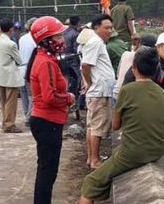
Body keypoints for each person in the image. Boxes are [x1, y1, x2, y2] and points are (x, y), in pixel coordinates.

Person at [79, 47, 164, 204]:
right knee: (107, 172)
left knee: (90, 181)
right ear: (156, 69)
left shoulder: (126, 90)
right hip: (158, 151)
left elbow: (115, 125)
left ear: (133, 68)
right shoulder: (161, 92)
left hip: (133, 153)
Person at [26, 16, 75, 204]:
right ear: (46, 40)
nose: (62, 40)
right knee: (47, 171)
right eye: (58, 36)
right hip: (47, 122)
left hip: (47, 121)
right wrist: (68, 98)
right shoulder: (45, 62)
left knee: (47, 169)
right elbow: (50, 96)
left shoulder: (45, 59)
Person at [123, 31, 164, 124]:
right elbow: (154, 93)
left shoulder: (159, 62)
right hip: (136, 103)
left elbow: (162, 90)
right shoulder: (151, 62)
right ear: (158, 47)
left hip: (145, 98)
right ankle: (150, 125)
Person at [81, 14, 115, 169]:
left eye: (111, 28)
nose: (110, 31)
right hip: (99, 91)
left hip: (99, 90)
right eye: (106, 28)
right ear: (96, 28)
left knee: (92, 126)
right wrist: (89, 82)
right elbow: (86, 65)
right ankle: (95, 160)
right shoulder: (95, 42)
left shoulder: (97, 42)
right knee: (97, 127)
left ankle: (91, 158)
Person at [0, 19, 24, 133]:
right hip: (10, 75)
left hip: (0, 73)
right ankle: (9, 124)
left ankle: (5, 122)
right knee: (11, 101)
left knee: (4, 100)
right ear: (11, 30)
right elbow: (19, 60)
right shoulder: (11, 44)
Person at [19, 17, 37, 127]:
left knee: (24, 94)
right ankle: (29, 117)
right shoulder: (36, 39)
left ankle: (26, 114)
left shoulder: (22, 38)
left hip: (21, 68)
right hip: (31, 69)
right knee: (32, 95)